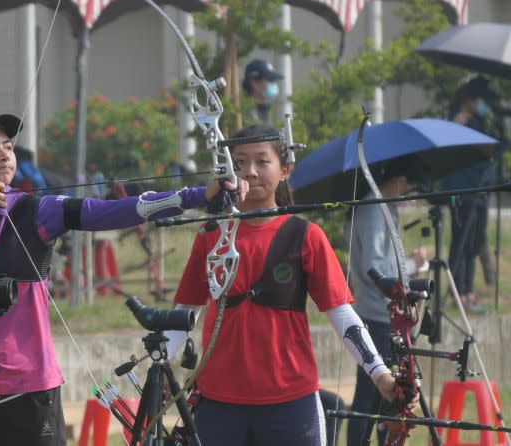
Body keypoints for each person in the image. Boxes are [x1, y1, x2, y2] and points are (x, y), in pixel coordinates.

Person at [0, 113, 246, 445]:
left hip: (30, 388)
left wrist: (199, 194)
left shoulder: (36, 212)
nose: (4, 154)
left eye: (8, 146)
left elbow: (110, 211)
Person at [165, 123, 417, 446]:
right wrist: (153, 369)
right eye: (239, 163)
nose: (250, 172)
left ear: (284, 170)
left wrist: (381, 374)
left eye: (262, 162)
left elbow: (342, 315)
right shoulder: (211, 235)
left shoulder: (306, 236)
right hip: (218, 401)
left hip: (290, 401)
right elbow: (185, 312)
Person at [346, 155, 431, 446]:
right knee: (375, 397)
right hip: (377, 314)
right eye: (411, 189)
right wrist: (413, 268)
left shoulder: (382, 207)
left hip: (386, 313)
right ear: (403, 182)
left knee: (385, 400)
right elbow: (376, 268)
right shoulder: (374, 209)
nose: (409, 196)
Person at [443, 75, 496, 313]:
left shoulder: (481, 120)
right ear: (471, 99)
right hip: (461, 190)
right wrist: (454, 125)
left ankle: (469, 291)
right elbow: (445, 150)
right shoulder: (453, 118)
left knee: (474, 243)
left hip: (480, 190)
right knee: (460, 243)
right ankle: (458, 292)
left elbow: (493, 148)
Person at [242, 58, 283, 124]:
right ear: (255, 82)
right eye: (271, 80)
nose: (274, 84)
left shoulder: (265, 108)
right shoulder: (246, 112)